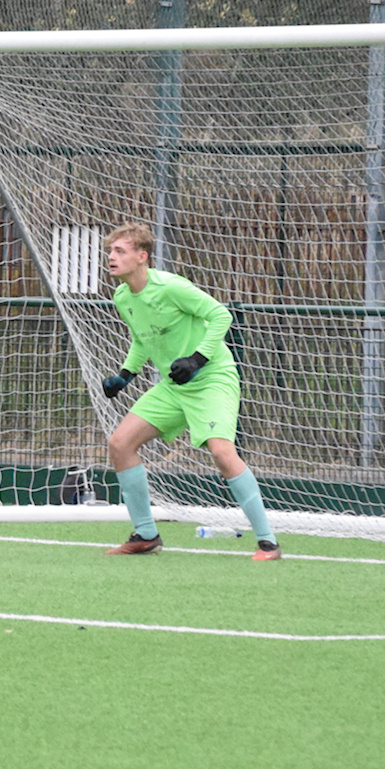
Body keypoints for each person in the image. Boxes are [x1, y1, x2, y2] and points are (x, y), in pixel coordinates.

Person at [96, 222, 278, 560]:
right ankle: (145, 534)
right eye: (110, 251)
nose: (111, 257)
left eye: (119, 251)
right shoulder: (122, 296)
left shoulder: (171, 287)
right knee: (120, 443)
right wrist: (125, 375)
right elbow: (143, 338)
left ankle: (268, 542)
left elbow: (220, 315)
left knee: (223, 454)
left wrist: (196, 359)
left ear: (142, 257)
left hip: (211, 378)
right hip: (174, 386)